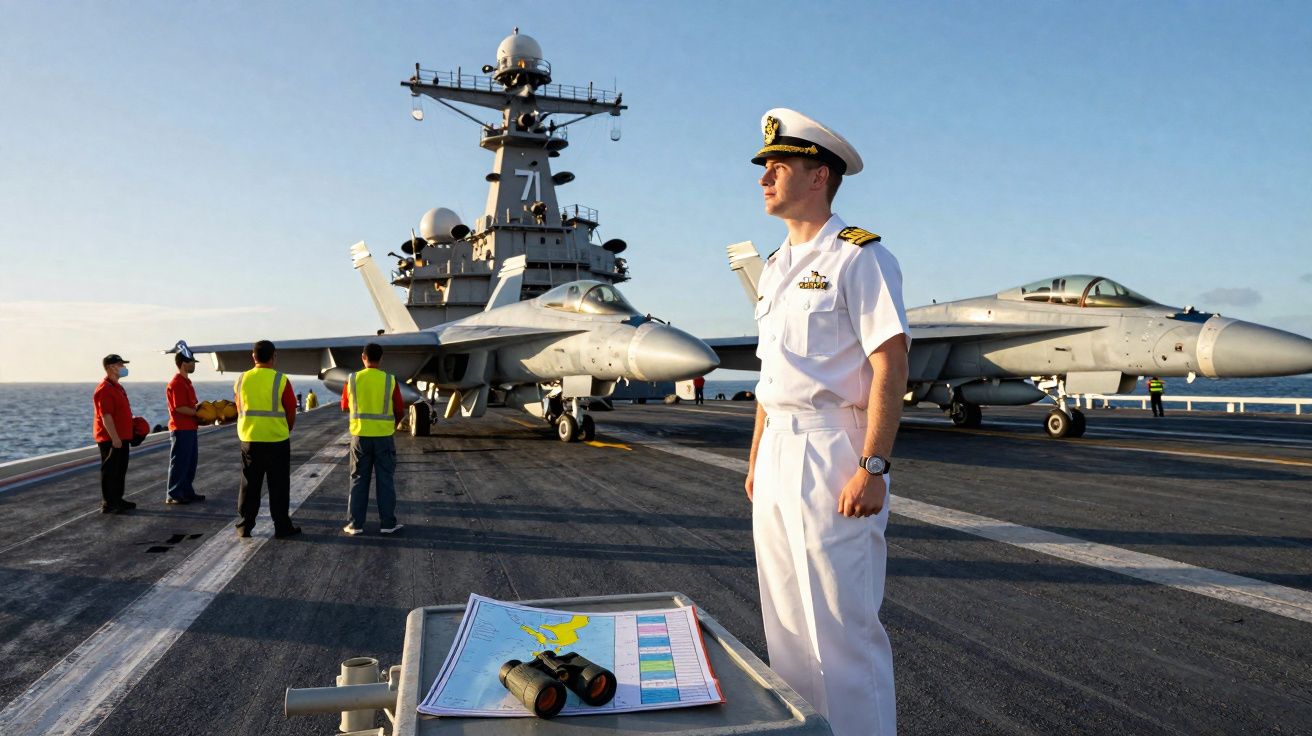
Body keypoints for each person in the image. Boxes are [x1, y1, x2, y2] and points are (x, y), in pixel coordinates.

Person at [744, 108, 909, 736]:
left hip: (833, 450)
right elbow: (771, 375)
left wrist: (873, 466)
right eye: (764, 167)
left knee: (842, 630)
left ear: (819, 176)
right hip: (778, 454)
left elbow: (890, 363)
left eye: (778, 166)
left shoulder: (859, 258)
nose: (765, 177)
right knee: (786, 628)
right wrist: (756, 460)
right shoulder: (775, 267)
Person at [233, 340, 301, 539]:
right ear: (274, 357)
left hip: (250, 440)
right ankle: (282, 527)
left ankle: (244, 526)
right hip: (277, 440)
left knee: (249, 485)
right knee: (278, 486)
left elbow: (239, 407)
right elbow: (291, 409)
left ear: (253, 357)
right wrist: (285, 429)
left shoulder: (241, 379)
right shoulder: (281, 380)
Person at [340, 342, 406, 535]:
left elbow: (344, 406)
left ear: (363, 357)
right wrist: (391, 426)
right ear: (381, 358)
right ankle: (387, 524)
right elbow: (399, 409)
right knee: (385, 481)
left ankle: (355, 525)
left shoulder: (352, 379)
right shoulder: (390, 380)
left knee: (358, 480)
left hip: (360, 437)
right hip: (384, 438)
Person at [93, 354, 137, 514]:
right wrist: (115, 438)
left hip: (122, 436)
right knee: (110, 470)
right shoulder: (104, 389)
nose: (124, 367)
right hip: (111, 438)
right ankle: (109, 503)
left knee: (120, 470)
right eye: (120, 364)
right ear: (111, 367)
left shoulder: (117, 387)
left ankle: (118, 499)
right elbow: (106, 416)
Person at [165, 350, 206, 504]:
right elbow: (179, 407)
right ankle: (173, 494)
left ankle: (187, 491)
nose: (194, 365)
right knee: (180, 462)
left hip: (190, 428)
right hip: (181, 429)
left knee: (190, 462)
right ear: (183, 363)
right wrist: (198, 413)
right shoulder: (177, 384)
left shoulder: (187, 383)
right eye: (192, 362)